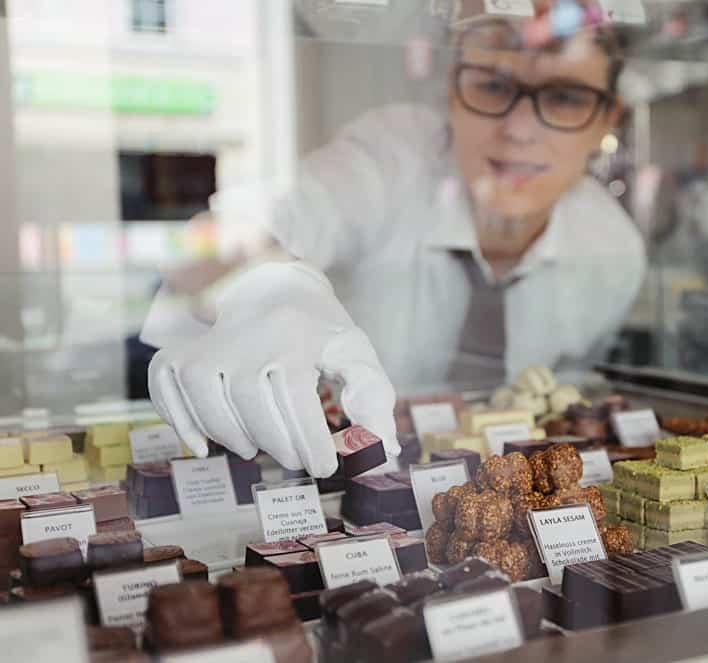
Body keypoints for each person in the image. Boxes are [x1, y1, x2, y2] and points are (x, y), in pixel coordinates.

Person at [142, 3, 646, 478]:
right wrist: (265, 286)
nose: (519, 130)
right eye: (492, 85)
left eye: (564, 97)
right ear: (453, 90)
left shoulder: (613, 253)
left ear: (607, 117)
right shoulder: (393, 157)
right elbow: (245, 224)